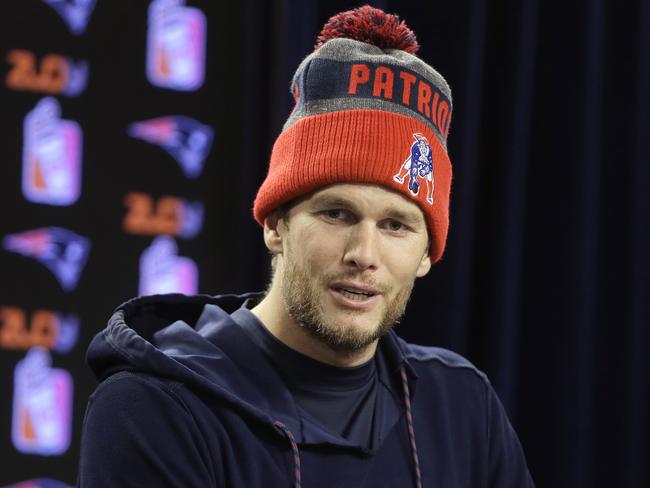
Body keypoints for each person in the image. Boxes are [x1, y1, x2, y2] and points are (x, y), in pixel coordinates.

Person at [78, 6, 535, 487]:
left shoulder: (464, 407)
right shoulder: (155, 406)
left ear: (426, 254)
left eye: (396, 225)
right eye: (337, 214)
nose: (364, 252)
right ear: (276, 225)